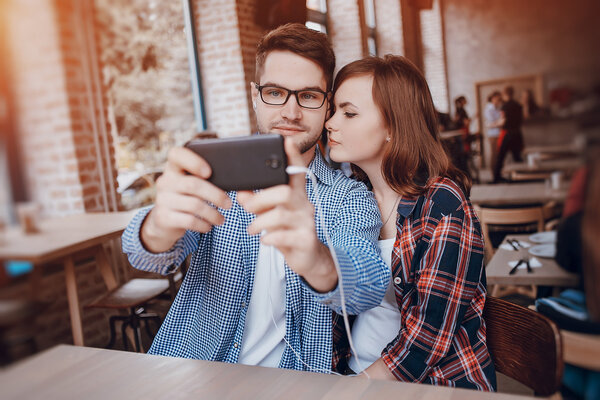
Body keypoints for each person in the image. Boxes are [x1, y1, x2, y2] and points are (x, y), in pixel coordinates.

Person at [121, 23, 389, 372]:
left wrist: (316, 259)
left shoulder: (348, 195)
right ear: (254, 96)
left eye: (308, 96)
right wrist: (158, 226)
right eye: (276, 92)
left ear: (327, 107)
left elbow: (367, 288)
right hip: (189, 371)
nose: (291, 113)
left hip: (292, 384)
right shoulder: (215, 175)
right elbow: (142, 256)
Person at [326, 55, 495, 390]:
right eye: (332, 111)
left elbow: (428, 339)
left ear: (392, 125)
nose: (330, 123)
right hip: (355, 376)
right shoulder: (352, 200)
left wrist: (351, 388)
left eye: (348, 112)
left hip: (433, 385)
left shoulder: (442, 203)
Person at [493, 86, 524, 183]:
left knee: (500, 157)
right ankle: (522, 175)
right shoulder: (518, 105)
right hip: (517, 134)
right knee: (517, 157)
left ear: (504, 94)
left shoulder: (505, 106)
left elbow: (503, 121)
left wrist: (492, 124)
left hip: (508, 134)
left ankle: (497, 177)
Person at [484, 91, 504, 176]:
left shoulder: (497, 108)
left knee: (498, 155)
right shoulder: (489, 108)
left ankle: (498, 173)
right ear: (493, 98)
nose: (499, 100)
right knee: (494, 155)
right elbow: (491, 123)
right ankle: (494, 174)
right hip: (493, 134)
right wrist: (500, 122)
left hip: (498, 133)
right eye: (497, 98)